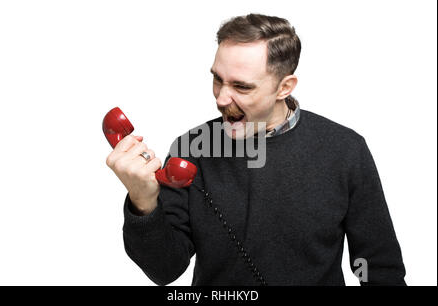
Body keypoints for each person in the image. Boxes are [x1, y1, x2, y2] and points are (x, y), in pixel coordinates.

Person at [106, 13, 406, 286]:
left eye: (242, 87)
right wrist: (143, 203)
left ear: (284, 87)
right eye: (217, 79)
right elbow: (165, 269)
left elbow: (377, 266)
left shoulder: (345, 150)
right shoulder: (191, 148)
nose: (222, 98)